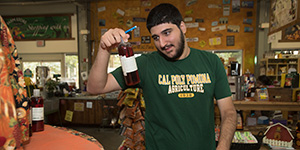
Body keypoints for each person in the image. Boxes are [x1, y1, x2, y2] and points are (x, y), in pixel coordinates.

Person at [87, 3, 237, 150]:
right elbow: (95, 87)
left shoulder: (211, 62)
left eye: (167, 33)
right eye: (156, 37)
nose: (162, 43)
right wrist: (104, 49)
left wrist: (223, 146)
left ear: (182, 27)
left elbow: (228, 111)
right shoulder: (146, 64)